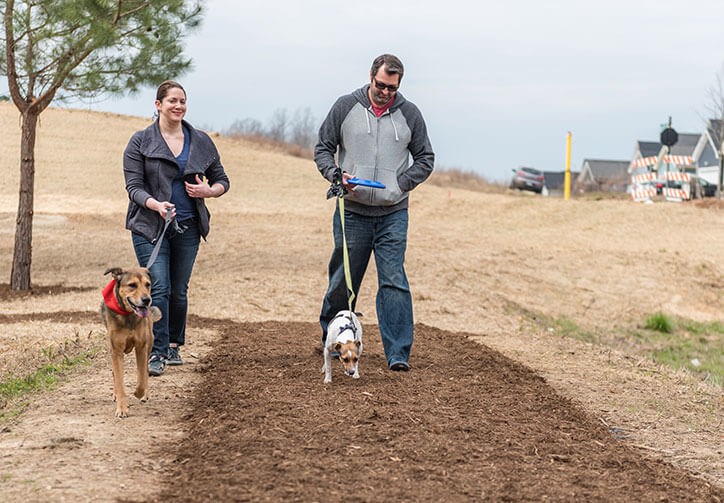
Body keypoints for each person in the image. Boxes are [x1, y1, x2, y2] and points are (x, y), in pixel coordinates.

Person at [314, 54, 435, 371]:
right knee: (343, 278)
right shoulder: (345, 106)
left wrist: (401, 183)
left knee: (393, 279)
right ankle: (333, 336)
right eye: (380, 85)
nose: (385, 92)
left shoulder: (410, 115)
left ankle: (398, 353)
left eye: (391, 88)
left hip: (392, 213)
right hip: (352, 211)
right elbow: (323, 148)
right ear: (371, 77)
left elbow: (425, 159)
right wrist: (336, 175)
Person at [123, 80, 230, 377]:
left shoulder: (201, 141)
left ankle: (173, 344)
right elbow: (133, 187)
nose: (178, 105)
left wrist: (209, 192)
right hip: (149, 227)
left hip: (189, 226)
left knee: (179, 291)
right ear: (158, 105)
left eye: (182, 101)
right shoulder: (140, 142)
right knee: (159, 288)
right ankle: (156, 352)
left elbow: (222, 180)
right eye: (172, 100)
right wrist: (155, 204)